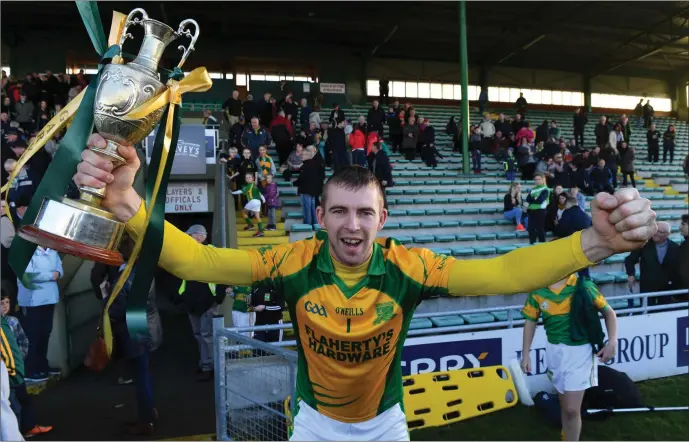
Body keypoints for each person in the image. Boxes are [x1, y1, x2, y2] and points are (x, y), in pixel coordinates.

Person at [74, 131, 658, 441]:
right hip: (313, 425)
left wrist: (596, 244)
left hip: (385, 426)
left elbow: (502, 272)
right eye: (339, 212)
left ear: (383, 221)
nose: (352, 226)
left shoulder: (407, 266)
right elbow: (198, 261)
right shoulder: (292, 260)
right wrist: (127, 202)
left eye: (364, 213)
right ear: (321, 215)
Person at [521, 273, 618, 442]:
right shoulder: (537, 290)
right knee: (565, 406)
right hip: (554, 352)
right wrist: (526, 354)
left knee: (572, 409)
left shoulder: (584, 285)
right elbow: (531, 321)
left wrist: (612, 342)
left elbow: (609, 312)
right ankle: (567, 437)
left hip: (580, 352)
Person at [105, 236, 163, 435]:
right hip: (148, 327)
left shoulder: (126, 277)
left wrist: (107, 297)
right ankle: (150, 412)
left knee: (141, 378)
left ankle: (145, 421)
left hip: (135, 331)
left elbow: (118, 309)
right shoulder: (144, 273)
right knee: (145, 374)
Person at [1, 294, 53, 438]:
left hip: (14, 369)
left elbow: (23, 342)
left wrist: (18, 362)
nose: (5, 305)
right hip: (7, 372)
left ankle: (28, 428)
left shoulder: (12, 322)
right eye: (1, 303)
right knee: (12, 407)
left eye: (7, 302)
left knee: (22, 400)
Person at [177, 225, 223, 382]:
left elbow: (222, 274)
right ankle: (205, 363)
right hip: (193, 304)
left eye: (190, 235)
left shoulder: (211, 252)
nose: (187, 239)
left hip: (207, 303)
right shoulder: (188, 253)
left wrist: (218, 298)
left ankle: (209, 367)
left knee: (207, 336)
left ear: (200, 236)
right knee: (199, 335)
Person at [16, 245, 62, 383]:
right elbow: (28, 275)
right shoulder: (25, 250)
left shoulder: (53, 251)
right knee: (32, 335)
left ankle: (42, 365)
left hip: (50, 297)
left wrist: (54, 274)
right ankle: (30, 369)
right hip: (32, 299)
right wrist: (51, 275)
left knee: (45, 332)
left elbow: (60, 270)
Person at [624, 222, 681, 305]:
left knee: (664, 313)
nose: (655, 234)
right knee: (646, 312)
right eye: (655, 230)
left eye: (660, 232)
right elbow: (630, 260)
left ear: (667, 234)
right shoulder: (644, 244)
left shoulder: (675, 247)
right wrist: (631, 274)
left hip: (666, 288)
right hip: (647, 286)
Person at [294, 146, 324, 227]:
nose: (301, 156)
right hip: (313, 191)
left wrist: (295, 183)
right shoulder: (314, 164)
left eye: (303, 155)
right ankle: (315, 224)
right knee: (312, 209)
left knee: (307, 209)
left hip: (306, 190)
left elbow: (302, 178)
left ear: (308, 155)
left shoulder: (306, 166)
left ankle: (308, 225)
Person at [232, 173, 266, 238]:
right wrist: (263, 199)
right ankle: (261, 231)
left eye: (249, 177)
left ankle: (250, 225)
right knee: (257, 216)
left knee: (243, 212)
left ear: (252, 178)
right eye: (246, 178)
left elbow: (241, 191)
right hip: (258, 201)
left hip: (253, 201)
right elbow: (260, 193)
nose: (247, 179)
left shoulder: (249, 185)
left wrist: (232, 193)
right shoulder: (254, 185)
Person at [526, 173, 550, 244]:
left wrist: (533, 198)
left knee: (540, 230)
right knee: (531, 230)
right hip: (531, 211)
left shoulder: (545, 189)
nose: (537, 181)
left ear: (543, 180)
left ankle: (542, 247)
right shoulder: (532, 189)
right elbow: (527, 200)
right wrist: (535, 198)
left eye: (539, 179)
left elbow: (540, 201)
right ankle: (532, 245)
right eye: (536, 179)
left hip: (541, 211)